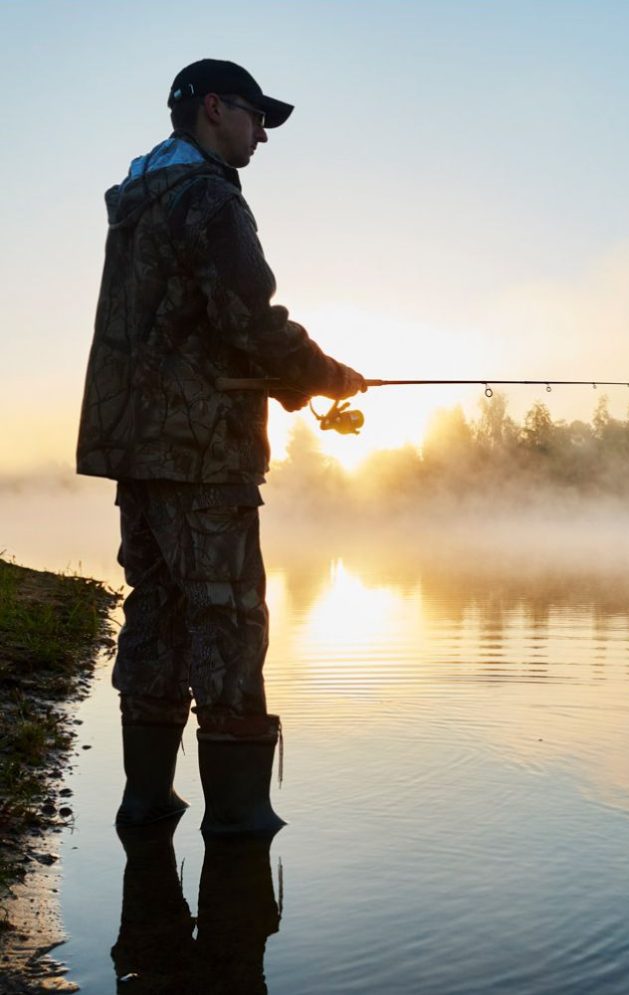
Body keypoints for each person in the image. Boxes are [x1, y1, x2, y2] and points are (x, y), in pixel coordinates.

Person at [77, 59, 364, 835]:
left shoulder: (138, 201)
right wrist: (328, 376)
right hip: (203, 452)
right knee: (229, 619)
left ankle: (146, 802)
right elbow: (250, 322)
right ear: (213, 109)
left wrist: (296, 383)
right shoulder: (207, 197)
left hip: (136, 446)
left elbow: (186, 330)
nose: (263, 132)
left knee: (159, 613)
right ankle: (239, 823)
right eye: (254, 115)